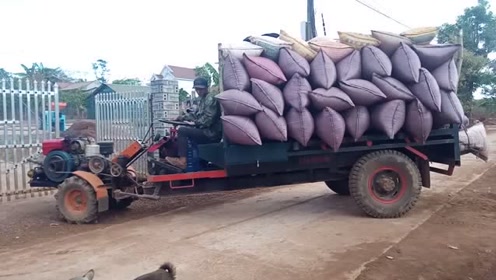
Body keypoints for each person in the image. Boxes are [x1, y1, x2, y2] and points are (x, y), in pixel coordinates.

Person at [165, 77, 222, 170]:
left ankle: (182, 161)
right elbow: (196, 116)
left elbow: (208, 119)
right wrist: (181, 118)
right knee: (182, 130)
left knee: (182, 131)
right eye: (197, 89)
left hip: (211, 133)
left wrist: (194, 123)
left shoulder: (210, 99)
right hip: (205, 130)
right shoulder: (202, 99)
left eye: (201, 89)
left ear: (206, 88)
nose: (198, 91)